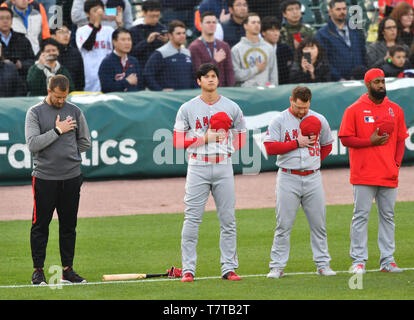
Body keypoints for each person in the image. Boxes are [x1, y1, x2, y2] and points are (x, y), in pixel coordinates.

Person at [173, 63, 246, 282]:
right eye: (206, 76)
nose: (211, 79)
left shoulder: (232, 106)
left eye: (214, 76)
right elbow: (177, 141)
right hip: (198, 166)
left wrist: (230, 149)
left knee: (228, 219)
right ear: (199, 81)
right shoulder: (187, 108)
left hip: (223, 166)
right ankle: (188, 269)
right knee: (192, 218)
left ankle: (229, 268)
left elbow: (242, 133)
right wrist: (204, 139)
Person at [338, 68, 409, 274]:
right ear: (367, 84)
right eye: (377, 82)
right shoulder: (354, 109)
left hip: (388, 173)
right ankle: (358, 260)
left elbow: (400, 140)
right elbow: (345, 138)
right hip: (364, 173)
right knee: (361, 216)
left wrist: (396, 164)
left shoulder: (395, 109)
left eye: (383, 82)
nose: (381, 86)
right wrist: (369, 141)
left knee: (388, 217)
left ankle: (388, 260)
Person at [263, 86, 336, 279]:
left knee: (319, 224)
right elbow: (270, 147)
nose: (301, 111)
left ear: (310, 102)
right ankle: (277, 266)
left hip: (313, 177)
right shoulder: (279, 120)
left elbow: (328, 144)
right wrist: (297, 143)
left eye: (304, 107)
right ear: (291, 100)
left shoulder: (319, 119)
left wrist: (315, 161)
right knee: (283, 225)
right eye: (297, 107)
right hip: (288, 177)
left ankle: (323, 264)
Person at [25, 74, 91, 285]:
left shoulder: (75, 111)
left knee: (69, 226)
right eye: (58, 97)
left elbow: (85, 142)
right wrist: (57, 131)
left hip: (71, 177)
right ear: (49, 91)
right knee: (40, 225)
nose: (62, 101)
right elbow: (33, 144)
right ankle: (38, 271)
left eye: (64, 97)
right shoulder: (34, 113)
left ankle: (67, 270)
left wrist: (70, 155)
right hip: (44, 178)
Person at [315, 0, 367, 81]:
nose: (342, 12)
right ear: (330, 11)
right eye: (338, 9)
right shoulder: (322, 34)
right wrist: (338, 78)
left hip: (359, 80)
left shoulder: (355, 30)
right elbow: (324, 61)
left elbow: (362, 53)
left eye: (344, 9)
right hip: (337, 83)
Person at [143, 20, 197, 91]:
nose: (182, 36)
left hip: (186, 98)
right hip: (169, 100)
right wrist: (160, 91)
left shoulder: (187, 53)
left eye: (184, 33)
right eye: (178, 33)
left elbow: (192, 77)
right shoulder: (160, 53)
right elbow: (147, 75)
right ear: (170, 35)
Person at [188, 11, 234, 87]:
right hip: (204, 91)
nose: (211, 25)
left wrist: (230, 89)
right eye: (208, 22)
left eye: (214, 22)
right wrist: (215, 61)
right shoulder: (194, 47)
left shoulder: (224, 46)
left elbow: (229, 71)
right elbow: (198, 73)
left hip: (223, 91)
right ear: (200, 25)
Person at [231, 12, 278, 87]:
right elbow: (236, 76)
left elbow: (273, 75)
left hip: (266, 92)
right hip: (246, 93)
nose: (257, 25)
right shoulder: (236, 49)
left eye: (258, 23)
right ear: (245, 26)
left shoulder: (269, 48)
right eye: (253, 22)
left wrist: (272, 89)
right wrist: (256, 69)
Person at [76, 0, 113, 92]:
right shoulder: (81, 30)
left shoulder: (109, 30)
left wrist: (120, 24)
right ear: (87, 14)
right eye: (95, 10)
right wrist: (96, 24)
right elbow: (88, 46)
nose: (99, 13)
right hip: (90, 73)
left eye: (100, 10)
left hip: (109, 72)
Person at [98, 27, 144, 92]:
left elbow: (141, 86)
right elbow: (106, 89)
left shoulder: (134, 61)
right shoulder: (107, 62)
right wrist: (126, 82)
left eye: (129, 39)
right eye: (123, 40)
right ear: (114, 42)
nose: (127, 43)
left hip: (133, 100)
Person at [129, 0, 168, 70]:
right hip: (140, 68)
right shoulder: (134, 30)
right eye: (152, 16)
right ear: (144, 13)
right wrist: (146, 42)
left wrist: (167, 42)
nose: (155, 19)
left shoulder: (163, 29)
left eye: (157, 16)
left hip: (159, 69)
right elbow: (131, 53)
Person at [0, 6, 34, 81]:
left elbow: (32, 61)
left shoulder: (22, 39)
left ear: (12, 21)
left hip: (19, 81)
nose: (5, 21)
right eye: (1, 18)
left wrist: (21, 64)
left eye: (8, 18)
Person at [51, 23, 85, 91]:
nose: (66, 35)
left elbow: (81, 79)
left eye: (67, 32)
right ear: (53, 36)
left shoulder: (75, 53)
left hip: (73, 93)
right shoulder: (49, 52)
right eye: (61, 32)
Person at [261, 16, 293, 85]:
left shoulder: (286, 49)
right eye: (272, 30)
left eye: (277, 30)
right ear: (263, 33)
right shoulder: (258, 50)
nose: (276, 34)